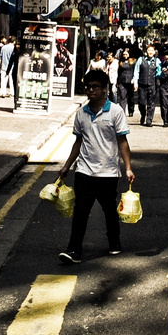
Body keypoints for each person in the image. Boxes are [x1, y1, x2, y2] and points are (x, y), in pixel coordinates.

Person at [54, 69, 135, 264]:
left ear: (105, 89)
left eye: (96, 87)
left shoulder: (115, 111)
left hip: (108, 172)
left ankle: (114, 241)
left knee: (109, 209)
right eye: (89, 87)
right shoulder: (81, 114)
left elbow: (122, 141)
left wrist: (128, 167)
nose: (91, 91)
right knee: (81, 211)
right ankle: (74, 250)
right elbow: (78, 142)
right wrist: (67, 166)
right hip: (84, 170)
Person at [133, 44, 161, 127]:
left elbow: (159, 72)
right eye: (149, 50)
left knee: (151, 103)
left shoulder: (157, 61)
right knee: (141, 102)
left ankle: (149, 119)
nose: (150, 52)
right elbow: (136, 71)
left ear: (154, 52)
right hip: (142, 84)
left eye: (152, 50)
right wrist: (135, 83)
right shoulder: (140, 60)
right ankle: (143, 114)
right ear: (146, 51)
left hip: (152, 85)